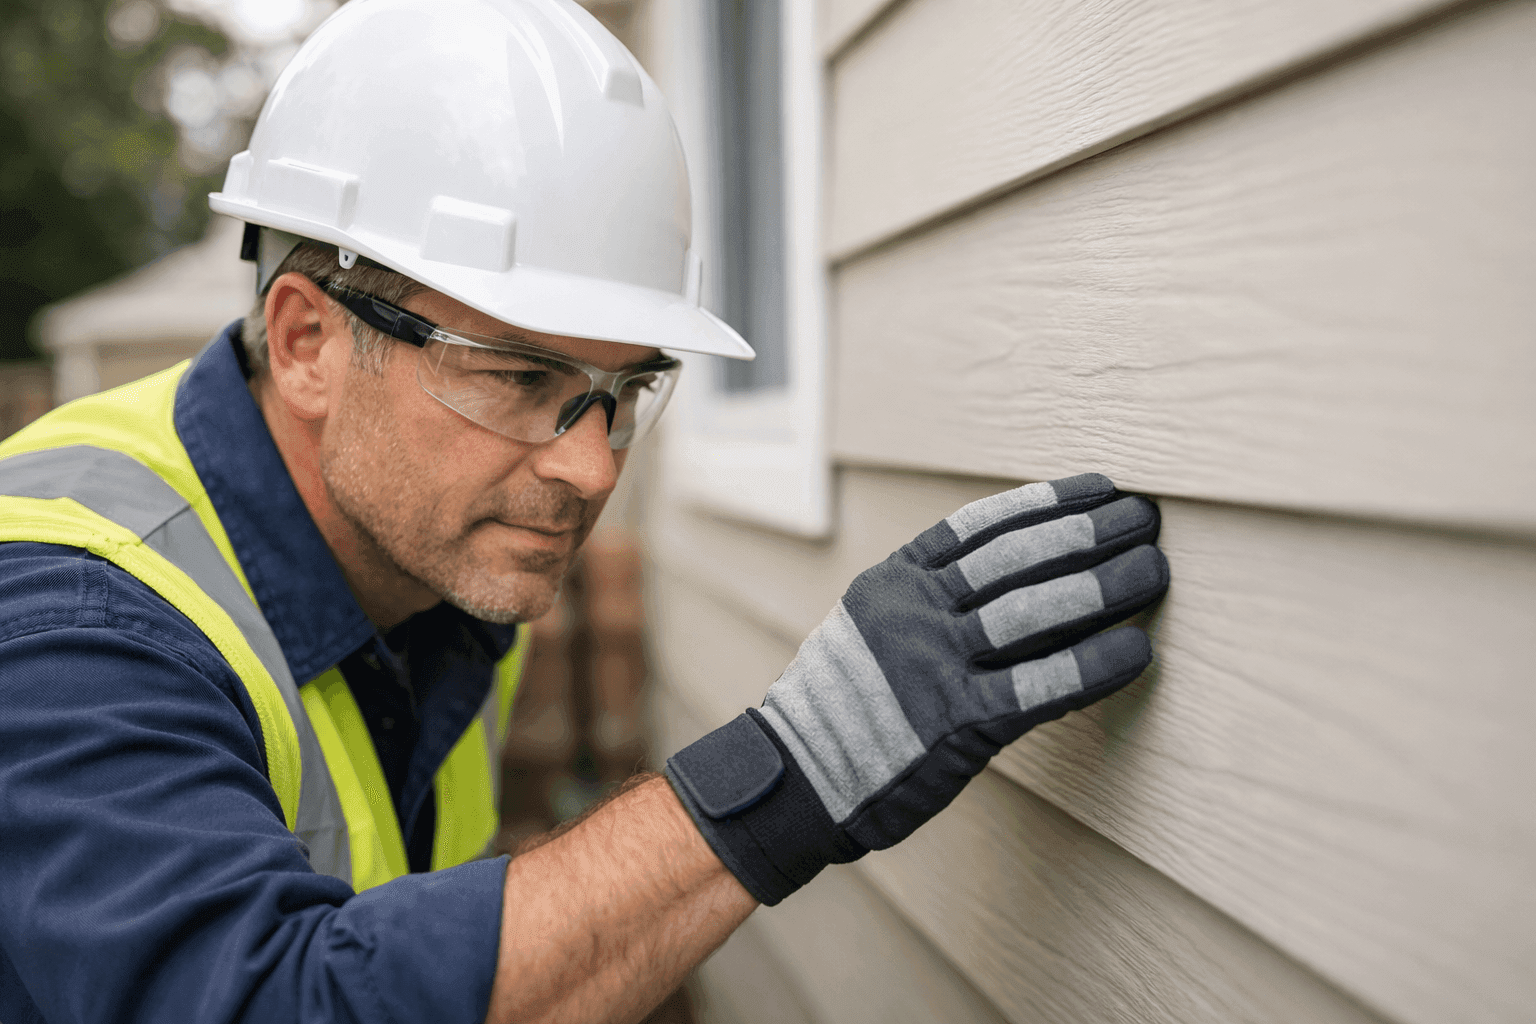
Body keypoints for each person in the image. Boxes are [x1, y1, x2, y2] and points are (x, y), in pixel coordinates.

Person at [0, 2, 1170, 1022]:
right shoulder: (71, 619)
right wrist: (798, 768)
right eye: (520, 380)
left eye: (622, 394)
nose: (594, 469)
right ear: (308, 341)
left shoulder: (423, 561)